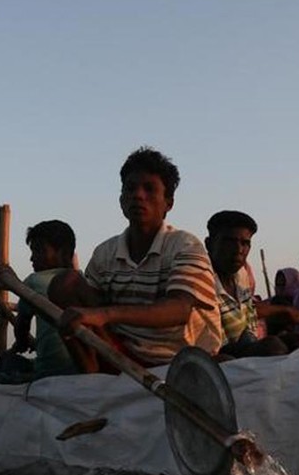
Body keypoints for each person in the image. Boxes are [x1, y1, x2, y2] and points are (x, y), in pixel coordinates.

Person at [48, 147, 223, 372]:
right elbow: (88, 308)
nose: (138, 195)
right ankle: (93, 380)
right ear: (121, 200)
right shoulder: (104, 253)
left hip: (181, 359)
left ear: (168, 203)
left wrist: (105, 315)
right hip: (121, 355)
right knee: (66, 284)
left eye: (149, 189)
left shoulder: (185, 244)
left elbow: (179, 309)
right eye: (130, 189)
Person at [204, 210, 299, 358]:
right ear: (209, 244)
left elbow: (248, 316)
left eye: (245, 243)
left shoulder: (242, 275)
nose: (238, 250)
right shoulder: (201, 281)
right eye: (229, 242)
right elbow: (212, 349)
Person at [13, 220, 79, 378]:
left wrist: (22, 342)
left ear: (63, 253)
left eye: (38, 251)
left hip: (48, 371)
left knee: (9, 365)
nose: (32, 258)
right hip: (80, 369)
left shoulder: (34, 281)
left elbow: (21, 326)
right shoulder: (82, 281)